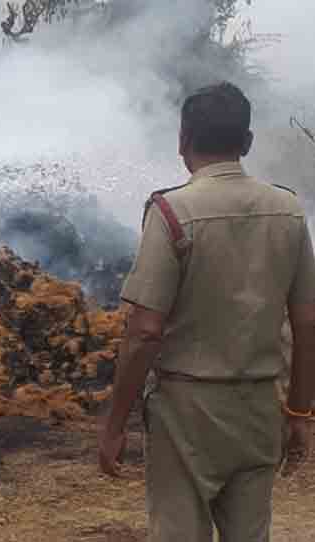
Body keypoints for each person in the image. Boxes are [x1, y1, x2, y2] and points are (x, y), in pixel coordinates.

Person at [98, 82, 315, 541]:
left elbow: (144, 332)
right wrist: (298, 412)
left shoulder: (172, 212)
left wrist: (114, 425)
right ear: (248, 143)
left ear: (182, 141)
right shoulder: (290, 211)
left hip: (185, 414)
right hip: (259, 407)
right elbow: (307, 322)